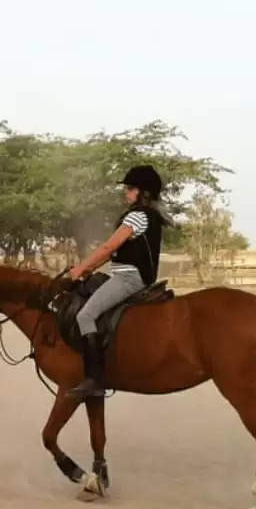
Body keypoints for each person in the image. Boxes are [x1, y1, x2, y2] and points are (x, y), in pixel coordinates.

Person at [66, 164, 166, 399]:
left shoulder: (137, 216)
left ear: (144, 192)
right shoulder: (151, 217)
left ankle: (93, 379)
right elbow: (112, 253)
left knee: (85, 315)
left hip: (129, 278)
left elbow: (109, 246)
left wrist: (81, 268)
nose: (126, 192)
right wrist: (88, 270)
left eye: (130, 188)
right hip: (127, 275)